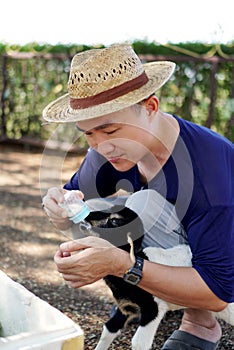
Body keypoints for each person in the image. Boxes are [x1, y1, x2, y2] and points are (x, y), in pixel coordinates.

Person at [42, 44, 234, 350]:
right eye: (88, 133)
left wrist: (123, 266)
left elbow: (219, 290)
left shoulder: (208, 178)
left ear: (151, 107)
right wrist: (57, 203)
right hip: (188, 240)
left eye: (111, 129)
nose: (101, 147)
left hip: (225, 253)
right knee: (99, 209)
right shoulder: (106, 152)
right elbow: (75, 197)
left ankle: (198, 322)